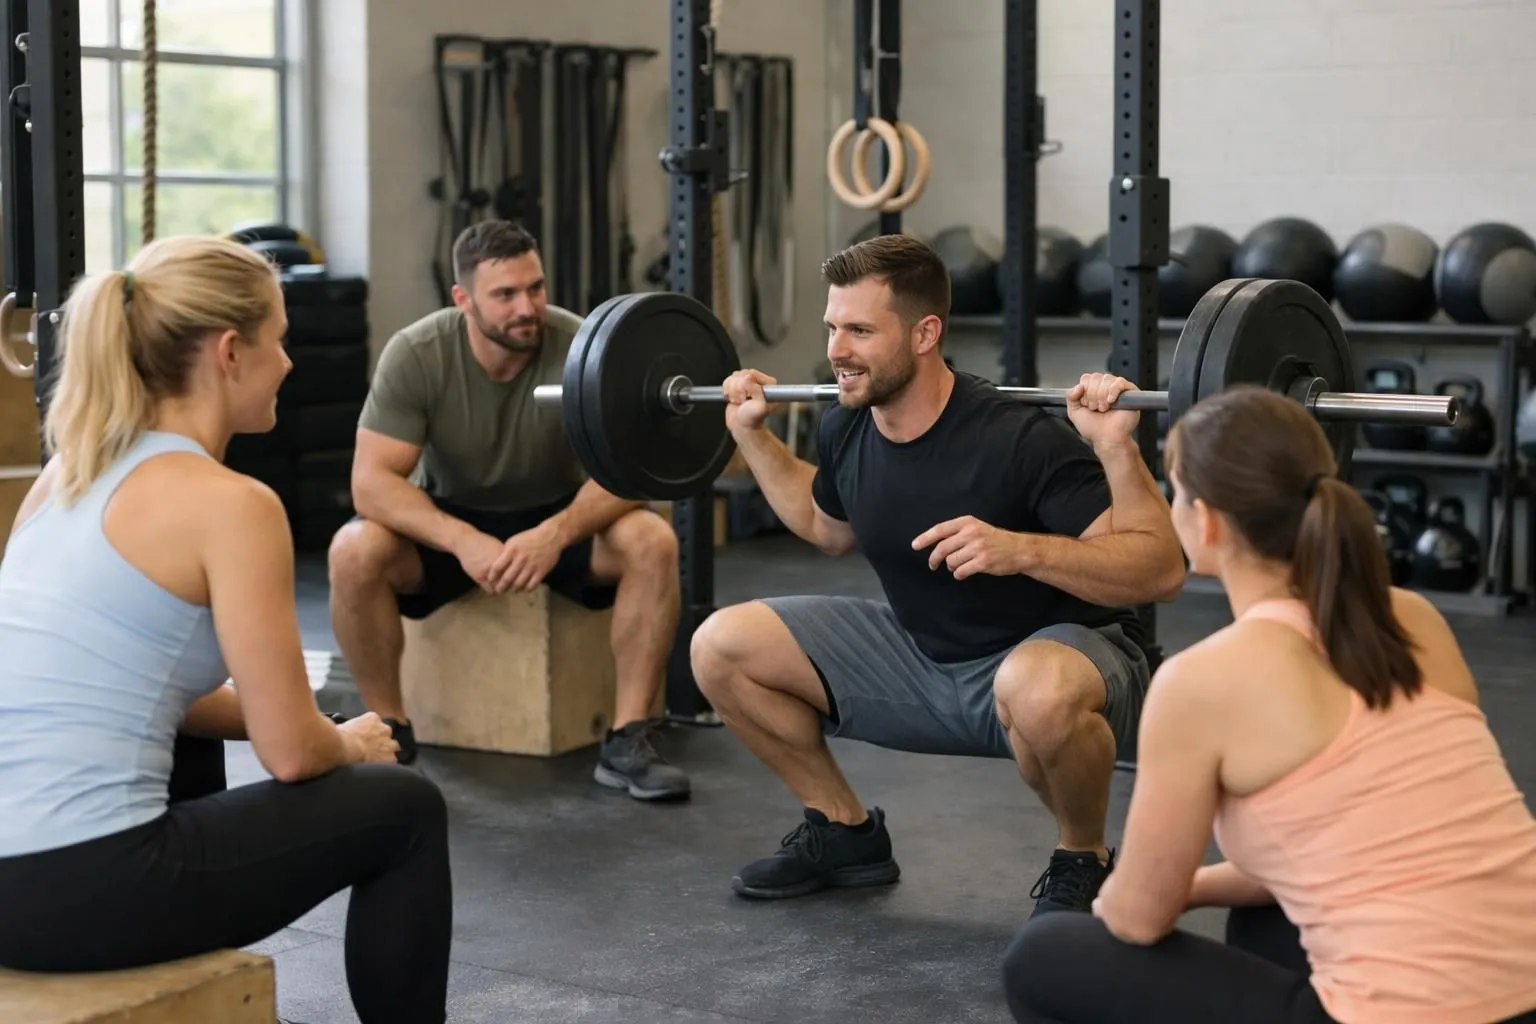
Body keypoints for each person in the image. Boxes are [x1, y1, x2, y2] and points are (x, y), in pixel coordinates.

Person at [0, 235, 453, 1024]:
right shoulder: (231, 505)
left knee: (193, 730)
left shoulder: (62, 476)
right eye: (280, 340)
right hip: (70, 895)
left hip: (12, 887)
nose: (290, 363)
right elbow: (292, 754)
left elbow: (149, 685)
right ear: (231, 352)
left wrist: (316, 725)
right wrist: (350, 744)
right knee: (404, 807)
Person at [1001, 385, 1536, 1024]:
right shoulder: (1413, 620)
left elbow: (1137, 920)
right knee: (1267, 922)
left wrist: (1132, 892)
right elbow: (1370, 845)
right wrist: (1196, 887)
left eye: (1175, 492)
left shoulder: (1204, 682)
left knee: (1044, 954)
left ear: (1210, 523)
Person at [689, 234, 1188, 912]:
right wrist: (752, 435)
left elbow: (1159, 570)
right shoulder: (847, 426)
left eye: (860, 330)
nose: (837, 349)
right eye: (834, 327)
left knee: (1035, 687)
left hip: (1056, 664)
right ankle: (843, 830)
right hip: (924, 660)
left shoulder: (1017, 438)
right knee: (721, 645)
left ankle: (1084, 856)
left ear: (925, 334)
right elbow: (828, 526)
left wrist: (1024, 547)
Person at [327, 220, 689, 801]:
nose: (528, 307)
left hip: (558, 518)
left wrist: (555, 533)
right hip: (450, 521)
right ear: (463, 299)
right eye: (505, 295)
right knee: (353, 550)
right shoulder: (418, 354)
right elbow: (370, 484)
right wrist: (460, 539)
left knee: (653, 540)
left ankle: (627, 739)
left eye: (536, 287)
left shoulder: (581, 347)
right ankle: (390, 734)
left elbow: (630, 473)